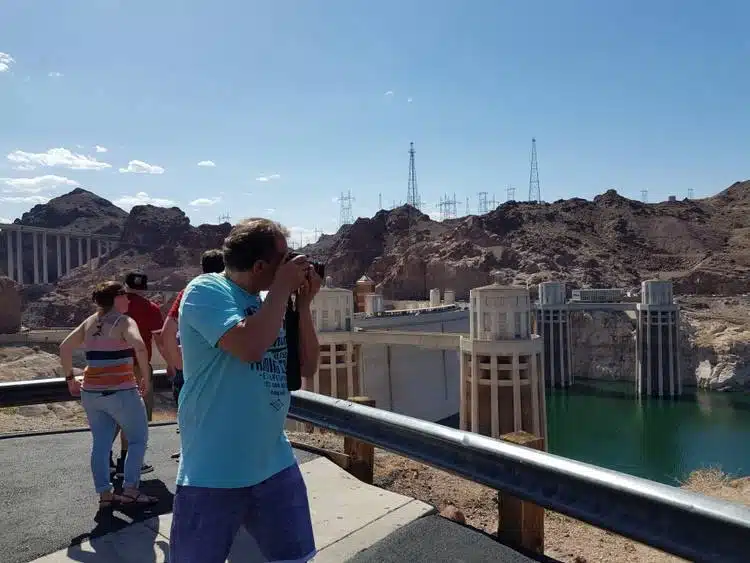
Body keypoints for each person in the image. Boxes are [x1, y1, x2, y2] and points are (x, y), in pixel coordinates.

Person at [169, 218, 321, 563]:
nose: (291, 265)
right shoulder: (206, 290)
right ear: (260, 266)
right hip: (213, 471)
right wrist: (281, 290)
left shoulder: (272, 303)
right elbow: (250, 346)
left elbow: (307, 367)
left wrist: (305, 305)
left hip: (274, 464)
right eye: (284, 259)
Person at [60, 281, 157, 509]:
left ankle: (105, 494)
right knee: (137, 439)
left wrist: (69, 378)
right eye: (124, 295)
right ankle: (131, 491)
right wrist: (146, 378)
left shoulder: (90, 322)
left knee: (101, 445)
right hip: (122, 391)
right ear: (116, 298)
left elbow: (65, 347)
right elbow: (140, 347)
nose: (128, 299)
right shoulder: (124, 321)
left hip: (91, 393)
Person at [161, 249, 225, 460]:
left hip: (189, 363)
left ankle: (188, 451)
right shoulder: (228, 292)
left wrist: (176, 363)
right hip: (217, 365)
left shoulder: (190, 291)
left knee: (188, 409)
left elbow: (167, 331)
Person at [109, 272, 164, 477]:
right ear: (145, 287)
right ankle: (128, 462)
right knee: (135, 415)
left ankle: (106, 458)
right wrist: (171, 363)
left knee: (114, 413)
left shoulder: (113, 307)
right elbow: (159, 340)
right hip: (138, 367)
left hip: (112, 365)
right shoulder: (151, 309)